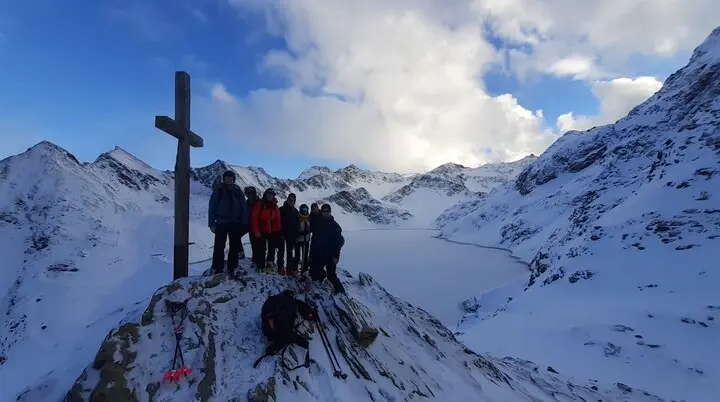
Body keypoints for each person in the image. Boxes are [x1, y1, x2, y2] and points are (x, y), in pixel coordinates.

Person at [208, 170, 247, 276]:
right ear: (224, 179)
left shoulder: (238, 191)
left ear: (234, 180)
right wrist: (211, 223)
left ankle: (233, 267)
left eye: (231, 178)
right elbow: (212, 206)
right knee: (219, 246)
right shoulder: (219, 190)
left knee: (234, 246)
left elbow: (243, 207)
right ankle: (217, 268)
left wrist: (244, 222)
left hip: (235, 222)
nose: (229, 180)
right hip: (221, 221)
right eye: (227, 178)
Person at [309, 204, 345, 294]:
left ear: (330, 212)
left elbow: (339, 242)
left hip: (330, 255)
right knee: (314, 274)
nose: (325, 213)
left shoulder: (335, 226)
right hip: (319, 253)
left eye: (327, 211)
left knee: (331, 276)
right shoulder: (318, 222)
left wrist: (336, 256)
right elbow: (314, 239)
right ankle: (321, 278)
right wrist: (311, 253)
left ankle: (341, 291)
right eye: (323, 211)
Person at [250, 188, 283, 270]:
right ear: (265, 195)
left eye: (271, 195)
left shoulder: (274, 205)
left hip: (272, 230)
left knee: (272, 247)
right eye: (268, 195)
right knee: (261, 248)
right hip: (262, 229)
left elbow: (277, 218)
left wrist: (279, 230)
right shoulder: (260, 204)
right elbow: (254, 218)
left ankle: (269, 263)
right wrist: (256, 230)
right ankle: (260, 265)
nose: (270, 196)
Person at [279, 193, 300, 275]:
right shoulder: (281, 209)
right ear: (287, 200)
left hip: (291, 236)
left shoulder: (295, 212)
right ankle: (280, 267)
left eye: (293, 200)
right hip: (281, 235)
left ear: (294, 201)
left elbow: (297, 225)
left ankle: (289, 269)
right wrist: (280, 233)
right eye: (290, 200)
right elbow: (278, 222)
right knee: (281, 252)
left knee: (289, 253)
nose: (291, 201)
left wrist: (296, 235)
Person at [244, 186, 261, 268]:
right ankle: (255, 260)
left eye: (251, 194)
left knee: (259, 245)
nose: (249, 195)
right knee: (254, 243)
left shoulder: (259, 202)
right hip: (250, 226)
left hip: (259, 227)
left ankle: (259, 261)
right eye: (248, 194)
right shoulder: (247, 203)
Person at [295, 204, 312, 274]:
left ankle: (304, 269)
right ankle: (295, 269)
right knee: (297, 255)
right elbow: (295, 228)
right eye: (303, 210)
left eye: (306, 210)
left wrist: (308, 231)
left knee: (305, 256)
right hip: (298, 240)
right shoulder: (298, 217)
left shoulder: (309, 218)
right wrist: (301, 233)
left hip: (306, 240)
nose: (305, 211)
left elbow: (311, 227)